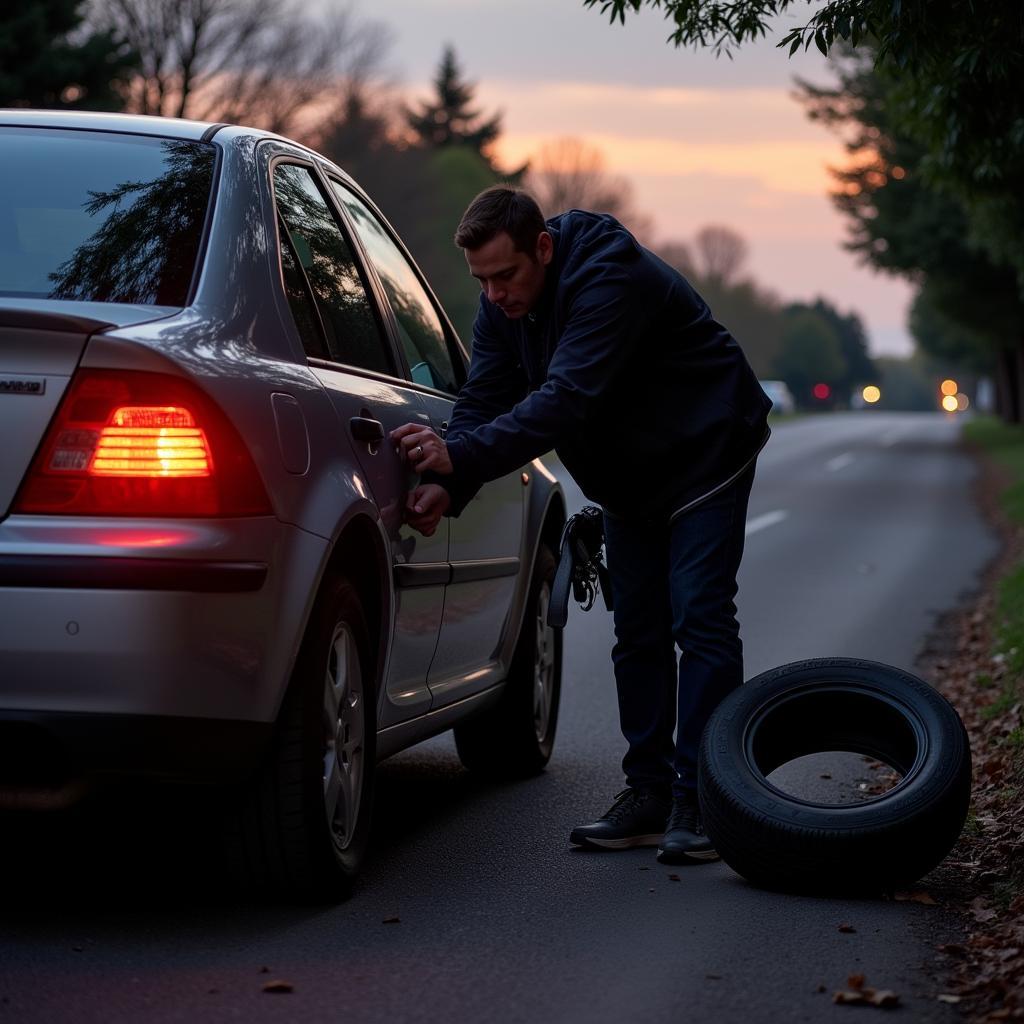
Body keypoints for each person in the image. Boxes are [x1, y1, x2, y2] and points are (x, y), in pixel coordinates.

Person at [391, 186, 771, 864]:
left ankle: (708, 798)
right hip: (629, 476)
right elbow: (484, 399)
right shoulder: (502, 307)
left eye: (506, 276)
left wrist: (463, 454)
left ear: (544, 247)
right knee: (638, 630)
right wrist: (448, 484)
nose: (496, 294)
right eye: (482, 281)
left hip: (706, 449)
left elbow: (567, 397)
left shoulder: (608, 277)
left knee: (700, 616)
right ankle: (650, 795)